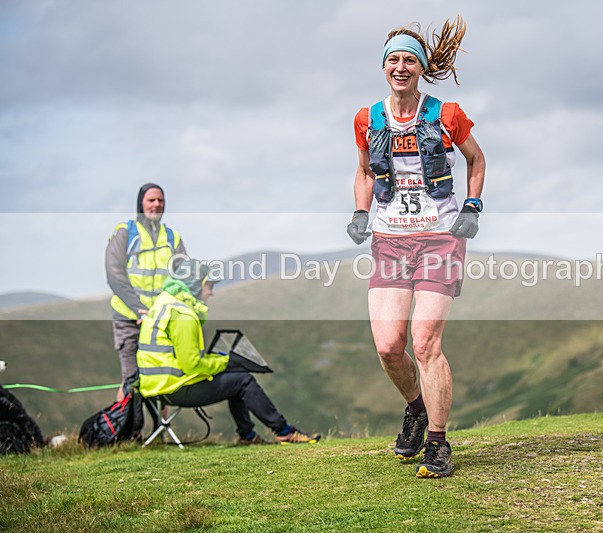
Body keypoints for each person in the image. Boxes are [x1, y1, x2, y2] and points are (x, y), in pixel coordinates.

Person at [347, 16, 485, 477]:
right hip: (389, 239)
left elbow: (476, 159)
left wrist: (472, 206)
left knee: (425, 342)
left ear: (422, 67)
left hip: (439, 237)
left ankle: (439, 444)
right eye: (393, 59)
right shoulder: (368, 118)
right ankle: (416, 407)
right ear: (383, 67)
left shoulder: (446, 115)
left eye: (409, 59)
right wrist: (360, 213)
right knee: (389, 346)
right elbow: (366, 171)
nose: (401, 66)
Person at [136, 258, 321, 445]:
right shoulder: (184, 316)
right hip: (174, 387)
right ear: (197, 285)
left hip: (157, 386)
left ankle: (248, 436)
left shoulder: (163, 305)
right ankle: (284, 432)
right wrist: (225, 361)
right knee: (243, 380)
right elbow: (191, 365)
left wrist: (218, 361)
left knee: (236, 378)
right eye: (209, 286)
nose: (212, 293)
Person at [106, 183, 187, 402]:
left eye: (160, 200)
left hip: (160, 321)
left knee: (162, 376)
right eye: (151, 200)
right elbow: (114, 275)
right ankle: (125, 432)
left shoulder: (173, 238)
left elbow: (184, 279)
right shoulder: (125, 232)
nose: (156, 205)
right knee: (130, 379)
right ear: (140, 203)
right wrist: (139, 310)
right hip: (129, 319)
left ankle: (159, 433)